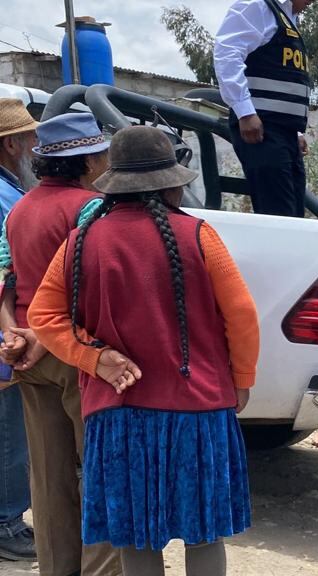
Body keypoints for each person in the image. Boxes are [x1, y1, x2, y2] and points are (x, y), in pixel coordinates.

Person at [28, 125, 261, 572]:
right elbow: (242, 314)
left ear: (113, 185)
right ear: (172, 184)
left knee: (136, 537)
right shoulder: (199, 235)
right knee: (204, 532)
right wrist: (242, 379)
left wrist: (95, 358)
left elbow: (44, 316)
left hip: (118, 413)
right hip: (198, 409)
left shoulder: (82, 241)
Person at [0, 112, 121, 576]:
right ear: (88, 161)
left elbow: (5, 277)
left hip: (28, 355)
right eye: (101, 154)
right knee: (100, 468)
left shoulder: (20, 208)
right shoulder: (90, 208)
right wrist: (47, 338)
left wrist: (14, 333)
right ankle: (102, 569)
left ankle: (57, 567)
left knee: (49, 474)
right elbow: (83, 289)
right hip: (75, 352)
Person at [214, 0, 315, 217]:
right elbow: (227, 54)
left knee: (295, 216)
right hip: (262, 130)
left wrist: (295, 132)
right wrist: (245, 112)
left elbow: (283, 77)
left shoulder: (287, 17)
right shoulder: (257, 6)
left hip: (284, 133)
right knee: (279, 215)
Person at [0, 97, 35, 563]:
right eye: (28, 139)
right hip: (9, 333)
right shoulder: (8, 199)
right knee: (10, 430)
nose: (33, 148)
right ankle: (7, 521)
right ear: (10, 145)